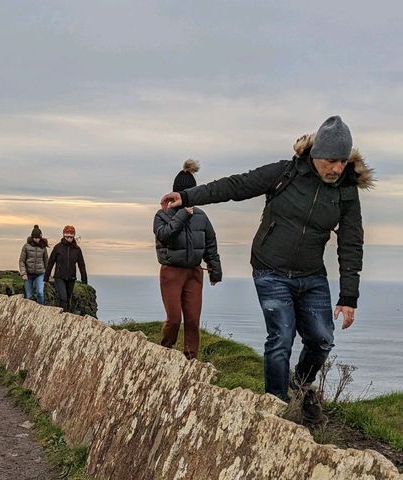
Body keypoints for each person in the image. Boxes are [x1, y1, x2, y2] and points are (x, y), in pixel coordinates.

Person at [159, 116, 373, 425]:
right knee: (281, 338)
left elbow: (351, 242)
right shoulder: (284, 172)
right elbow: (236, 185)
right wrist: (188, 197)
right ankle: (277, 410)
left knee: (322, 338)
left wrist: (349, 296)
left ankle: (299, 387)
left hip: (311, 275)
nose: (337, 168)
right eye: (331, 160)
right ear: (315, 155)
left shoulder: (346, 191)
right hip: (270, 269)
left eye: (342, 161)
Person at [154, 159, 222, 360]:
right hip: (171, 272)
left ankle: (190, 359)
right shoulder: (162, 215)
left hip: (194, 272)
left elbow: (211, 243)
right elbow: (164, 235)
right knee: (174, 319)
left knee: (192, 320)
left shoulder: (201, 216)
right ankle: (165, 352)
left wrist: (215, 270)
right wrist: (182, 215)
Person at [44, 225, 88, 313]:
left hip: (71, 278)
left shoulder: (77, 249)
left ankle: (67, 315)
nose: (69, 238)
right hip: (59, 276)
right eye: (67, 236)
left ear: (74, 236)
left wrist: (84, 278)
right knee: (63, 298)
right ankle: (62, 316)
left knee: (68, 299)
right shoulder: (58, 247)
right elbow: (51, 262)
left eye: (71, 236)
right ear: (64, 235)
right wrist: (46, 276)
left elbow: (81, 265)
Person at [19, 225, 49, 304]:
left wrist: (47, 274)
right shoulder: (26, 246)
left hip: (40, 274)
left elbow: (46, 261)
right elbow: (21, 261)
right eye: (35, 238)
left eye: (38, 238)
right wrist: (23, 273)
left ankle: (41, 309)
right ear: (32, 237)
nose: (37, 240)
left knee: (40, 293)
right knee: (29, 296)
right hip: (28, 274)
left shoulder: (43, 247)